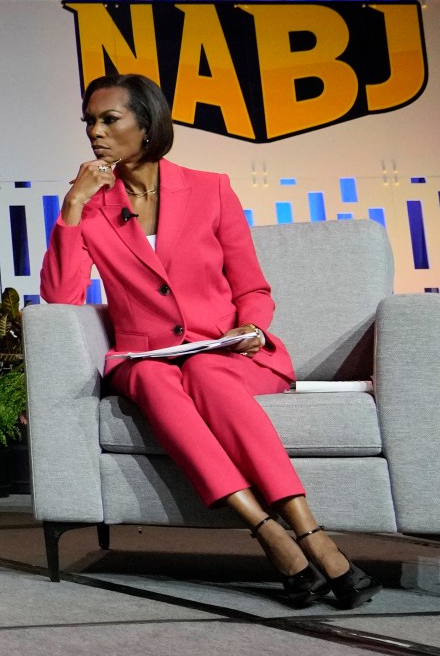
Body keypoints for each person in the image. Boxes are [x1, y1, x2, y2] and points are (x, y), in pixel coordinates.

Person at [45, 72, 378, 609]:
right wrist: (73, 209)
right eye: (90, 122)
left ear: (147, 124)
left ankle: (309, 532)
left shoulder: (209, 189)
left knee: (205, 372)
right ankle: (267, 531)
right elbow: (60, 299)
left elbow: (252, 284)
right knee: (153, 376)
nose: (96, 133)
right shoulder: (94, 207)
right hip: (143, 354)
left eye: (110, 119)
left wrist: (252, 327)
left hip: (224, 350)